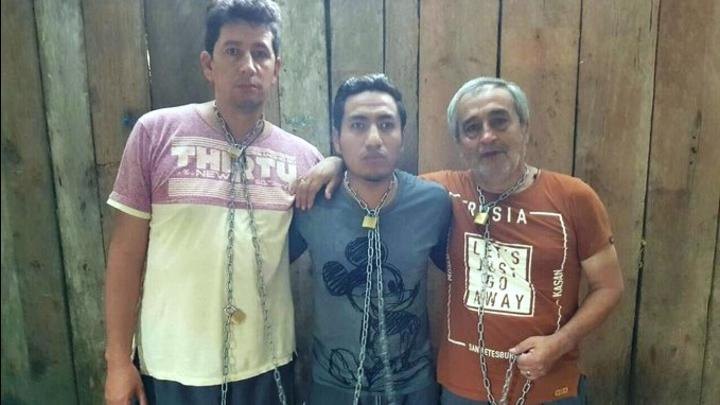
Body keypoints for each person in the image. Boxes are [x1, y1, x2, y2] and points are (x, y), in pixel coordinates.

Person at [293, 77, 624, 404]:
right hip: (462, 389)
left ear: (524, 127)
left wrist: (559, 343)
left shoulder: (572, 197)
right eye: (472, 128)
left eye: (499, 121)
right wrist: (334, 164)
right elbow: (376, 177)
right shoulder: (441, 193)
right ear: (460, 142)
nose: (487, 136)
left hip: (547, 384)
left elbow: (609, 286)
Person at [103, 1, 322, 404]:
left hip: (267, 365)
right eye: (233, 51)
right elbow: (125, 253)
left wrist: (337, 164)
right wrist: (118, 362)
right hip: (173, 367)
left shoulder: (304, 158)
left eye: (260, 53)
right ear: (208, 64)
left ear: (276, 68)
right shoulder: (156, 133)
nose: (248, 65)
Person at [290, 74, 451, 405]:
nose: (374, 139)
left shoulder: (432, 203)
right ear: (336, 138)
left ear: (402, 137)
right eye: (358, 125)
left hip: (414, 387)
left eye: (387, 125)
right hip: (332, 386)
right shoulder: (311, 203)